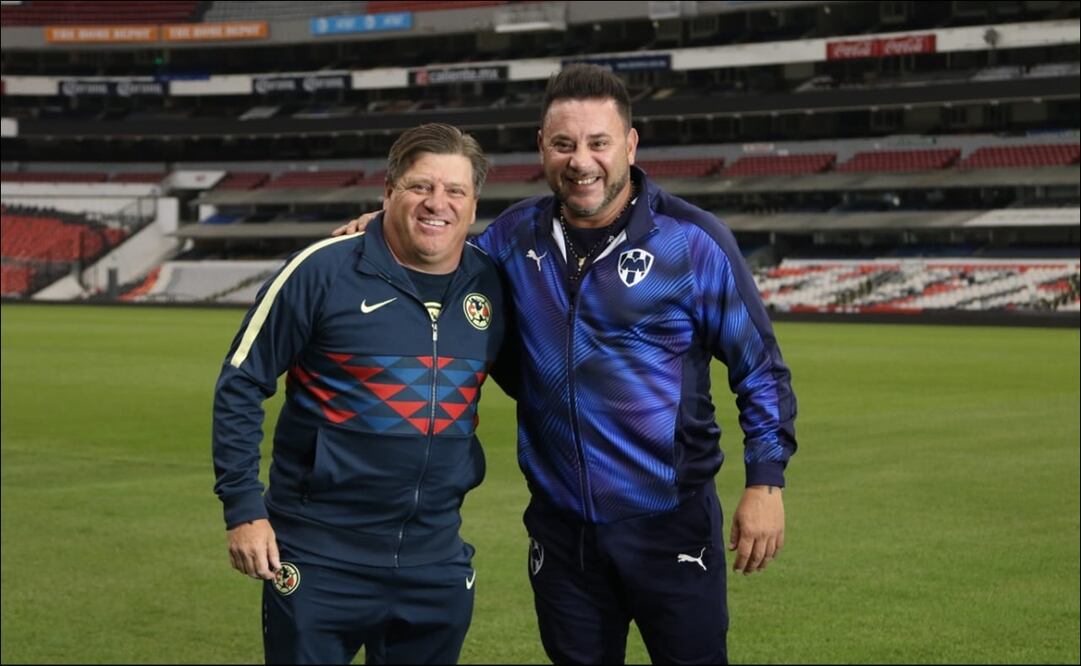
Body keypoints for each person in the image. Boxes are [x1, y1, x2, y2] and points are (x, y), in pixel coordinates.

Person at [334, 64, 797, 665]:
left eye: (599, 143)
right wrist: (387, 221)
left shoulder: (693, 241)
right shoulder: (510, 237)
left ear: (629, 144)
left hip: (670, 523)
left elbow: (759, 367)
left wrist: (765, 482)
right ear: (542, 149)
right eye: (564, 144)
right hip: (561, 529)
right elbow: (441, 252)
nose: (582, 161)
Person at [212, 123, 508, 665]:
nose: (436, 202)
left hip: (435, 562)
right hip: (320, 557)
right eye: (420, 186)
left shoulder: (493, 282)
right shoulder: (321, 270)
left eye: (455, 191)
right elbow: (241, 382)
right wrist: (243, 508)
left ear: (473, 205)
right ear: (388, 191)